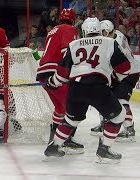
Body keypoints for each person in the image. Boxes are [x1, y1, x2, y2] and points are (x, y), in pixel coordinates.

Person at [44, 17, 131, 163]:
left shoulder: (74, 44)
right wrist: (114, 78)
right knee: (118, 116)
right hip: (98, 87)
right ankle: (104, 150)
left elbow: (62, 74)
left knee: (71, 120)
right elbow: (125, 68)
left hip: (75, 89)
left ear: (84, 31)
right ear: (98, 30)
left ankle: (54, 147)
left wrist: (52, 82)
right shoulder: (110, 42)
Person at [33, 8, 83, 154]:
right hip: (55, 73)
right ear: (72, 20)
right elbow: (66, 53)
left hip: (43, 73)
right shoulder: (70, 29)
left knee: (60, 108)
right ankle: (63, 140)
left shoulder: (53, 30)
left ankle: (54, 138)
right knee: (72, 108)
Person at [90, 20, 140, 142]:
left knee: (121, 99)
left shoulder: (113, 43)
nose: (100, 35)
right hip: (123, 72)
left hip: (128, 73)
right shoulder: (117, 34)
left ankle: (129, 130)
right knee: (105, 96)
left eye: (102, 32)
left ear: (108, 31)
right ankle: (105, 123)